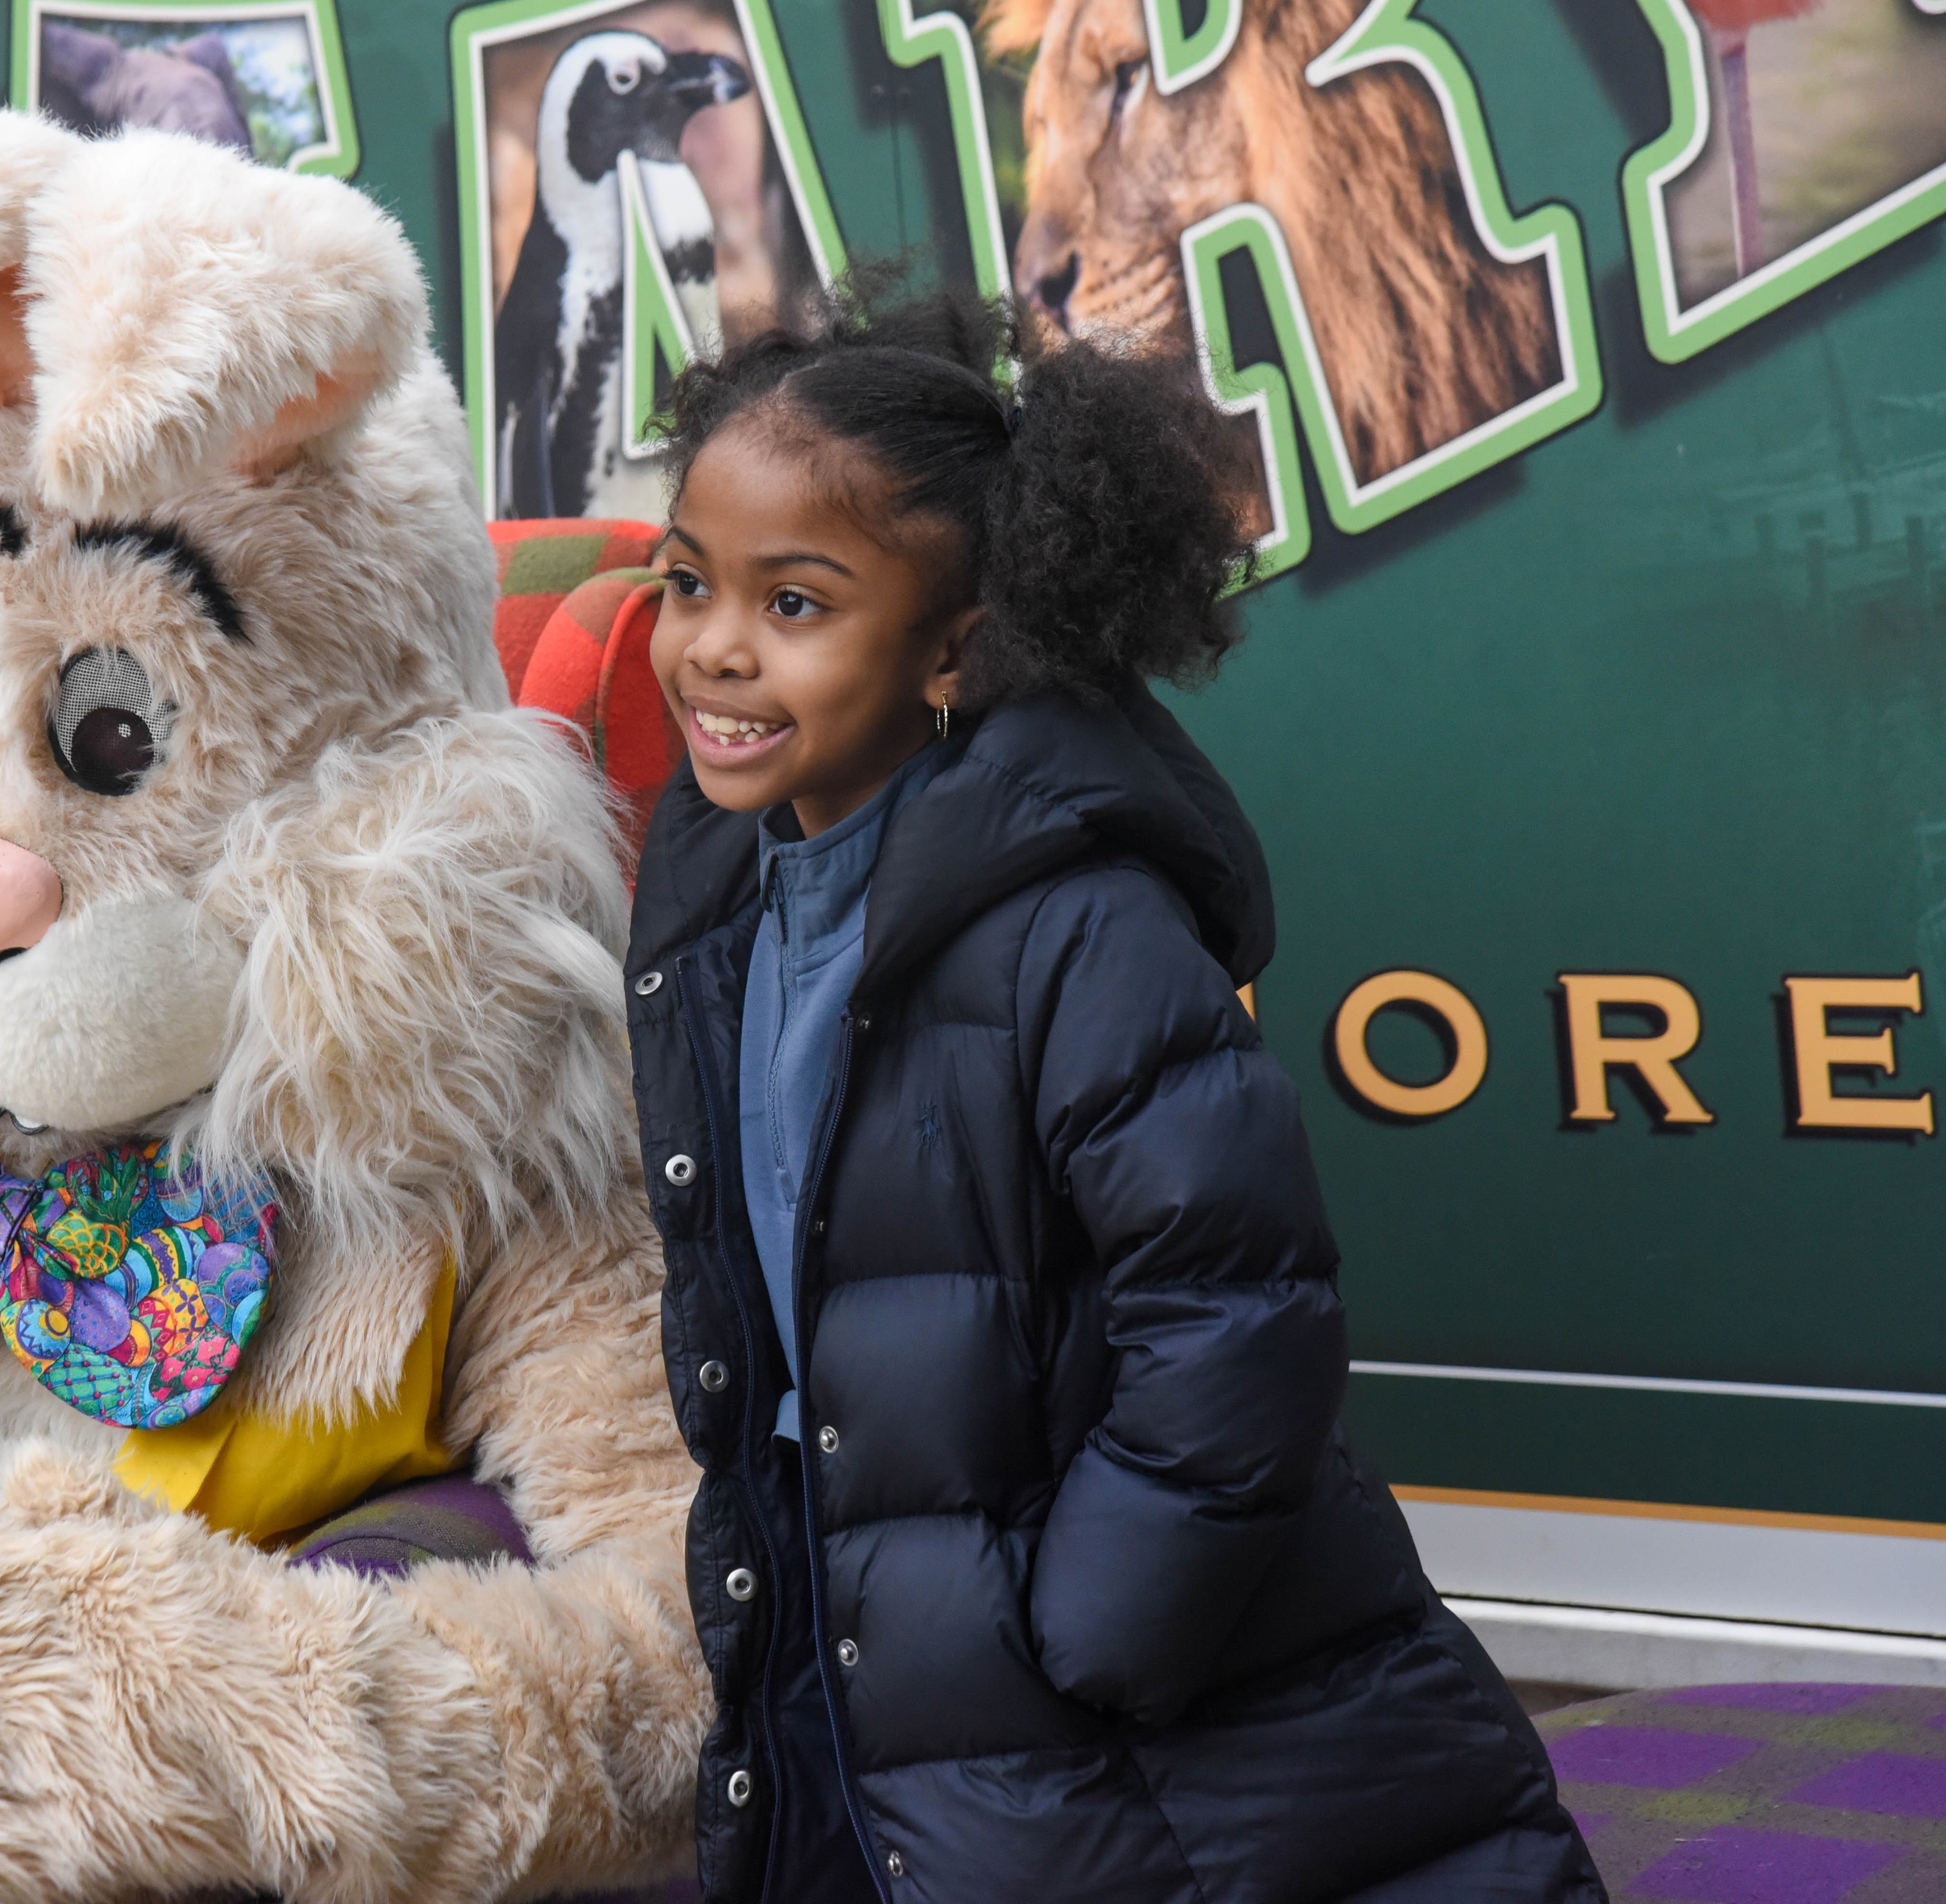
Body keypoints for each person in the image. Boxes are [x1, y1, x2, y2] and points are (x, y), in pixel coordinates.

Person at [621, 286, 1603, 1902]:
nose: (715, 644)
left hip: (1115, 1665)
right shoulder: (722, 895)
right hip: (891, 1616)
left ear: (954, 647)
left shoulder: (1078, 923)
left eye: (795, 602)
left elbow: (1237, 1309)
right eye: (687, 581)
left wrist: (1102, 1621)